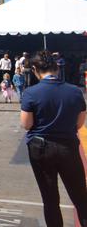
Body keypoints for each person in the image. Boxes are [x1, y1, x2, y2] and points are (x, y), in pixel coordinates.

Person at [20, 51, 87, 226]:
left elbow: (26, 124)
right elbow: (80, 123)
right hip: (68, 147)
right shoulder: (74, 91)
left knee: (50, 199)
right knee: (80, 196)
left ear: (34, 69)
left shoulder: (31, 93)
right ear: (57, 67)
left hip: (41, 149)